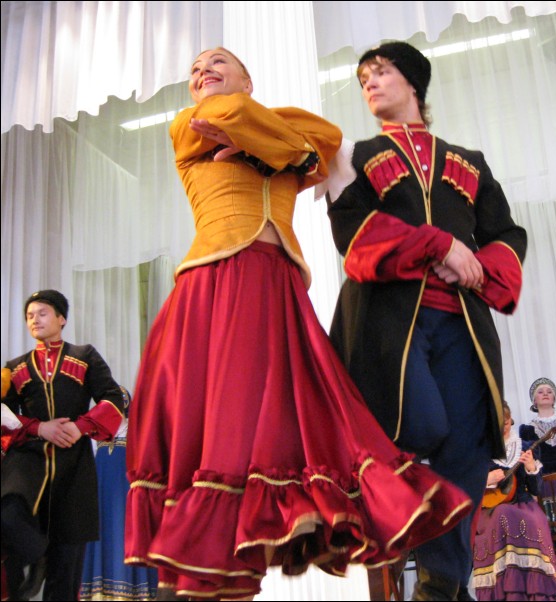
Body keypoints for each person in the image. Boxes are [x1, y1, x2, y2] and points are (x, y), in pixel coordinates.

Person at [124, 47, 471, 601]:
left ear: (249, 77)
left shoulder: (263, 119)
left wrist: (268, 141)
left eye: (218, 63)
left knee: (287, 430)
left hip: (277, 287)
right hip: (214, 284)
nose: (202, 73)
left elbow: (325, 137)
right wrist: (281, 149)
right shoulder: (187, 124)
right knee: (218, 433)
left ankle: (231, 570)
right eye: (193, 71)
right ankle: (193, 578)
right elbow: (250, 125)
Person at [326, 41, 527, 600]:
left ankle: (440, 585)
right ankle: (431, 573)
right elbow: (353, 237)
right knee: (420, 427)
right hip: (389, 326)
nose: (370, 83)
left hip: (462, 325)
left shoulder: (469, 161)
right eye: (363, 77)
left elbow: (506, 234)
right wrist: (439, 247)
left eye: (381, 72)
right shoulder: (357, 155)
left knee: (466, 450)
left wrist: (479, 268)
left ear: (412, 82)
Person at [2, 289, 126, 601]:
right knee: (8, 516)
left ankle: (48, 560)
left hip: (74, 467)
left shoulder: (85, 356)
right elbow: (4, 415)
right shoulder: (14, 368)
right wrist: (38, 427)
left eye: (42, 312)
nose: (35, 319)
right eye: (30, 315)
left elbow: (113, 398)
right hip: (27, 462)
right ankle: (37, 554)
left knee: (67, 567)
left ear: (62, 318)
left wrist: (80, 426)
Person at [473, 403, 556, 601]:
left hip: (523, 505)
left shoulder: (525, 447)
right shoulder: (480, 452)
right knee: (502, 514)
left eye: (506, 422)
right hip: (491, 509)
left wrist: (531, 467)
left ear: (511, 420)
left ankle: (534, 589)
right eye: (498, 423)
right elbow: (466, 485)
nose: (503, 427)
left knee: (526, 518)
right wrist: (486, 480)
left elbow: (536, 490)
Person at [79, 386, 158, 601]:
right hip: (101, 495)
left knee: (124, 535)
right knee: (102, 535)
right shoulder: (96, 432)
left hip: (125, 494)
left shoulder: (136, 431)